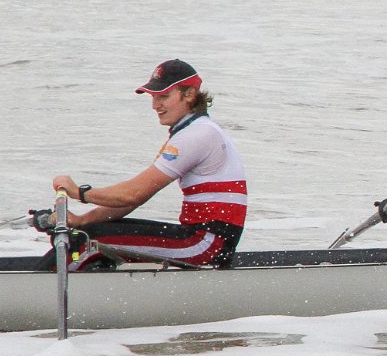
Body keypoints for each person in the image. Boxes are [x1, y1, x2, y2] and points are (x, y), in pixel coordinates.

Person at [44, 58, 248, 269]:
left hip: (206, 245)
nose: (155, 105)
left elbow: (133, 194)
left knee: (85, 242)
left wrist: (79, 193)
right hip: (203, 239)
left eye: (164, 96)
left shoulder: (198, 134)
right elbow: (132, 200)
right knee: (87, 232)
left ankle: (37, 295)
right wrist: (83, 221)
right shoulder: (192, 131)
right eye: (153, 97)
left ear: (189, 94)